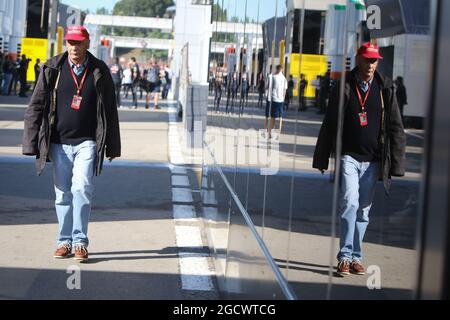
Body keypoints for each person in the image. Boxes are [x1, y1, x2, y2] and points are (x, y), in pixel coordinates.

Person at [22, 25, 121, 262]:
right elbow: (36, 105)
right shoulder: (52, 68)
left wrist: (113, 146)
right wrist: (30, 141)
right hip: (58, 143)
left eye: (79, 42)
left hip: (87, 141)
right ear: (66, 44)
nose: (74, 47)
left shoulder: (99, 70)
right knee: (62, 194)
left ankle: (79, 241)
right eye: (70, 42)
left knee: (81, 188)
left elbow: (110, 110)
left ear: (87, 44)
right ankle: (64, 241)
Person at [312, 42, 406, 276]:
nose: (371, 65)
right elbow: (330, 123)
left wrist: (396, 162)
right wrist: (322, 157)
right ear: (358, 59)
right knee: (350, 203)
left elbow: (395, 127)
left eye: (374, 61)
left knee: (363, 211)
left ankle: (356, 257)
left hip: (373, 160)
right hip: (349, 157)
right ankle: (345, 256)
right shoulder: (344, 85)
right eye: (367, 60)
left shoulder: (385, 88)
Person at [265, 65, 287, 139]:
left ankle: (270, 132)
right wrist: (283, 98)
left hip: (273, 99)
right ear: (282, 70)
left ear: (277, 69)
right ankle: (278, 133)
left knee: (272, 117)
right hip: (280, 100)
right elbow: (284, 90)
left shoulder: (273, 77)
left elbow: (267, 87)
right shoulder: (284, 78)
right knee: (280, 117)